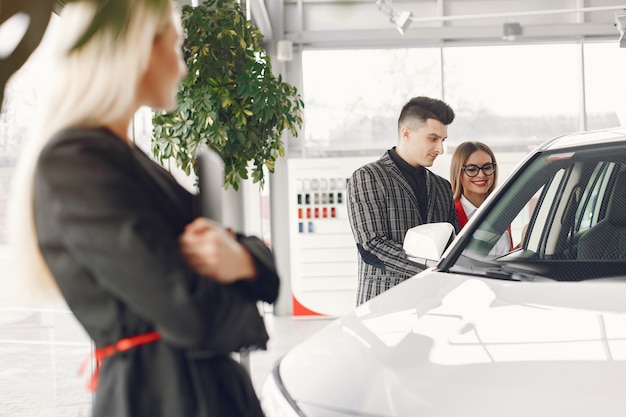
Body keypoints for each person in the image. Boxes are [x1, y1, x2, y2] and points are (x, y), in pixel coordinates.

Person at [7, 2, 279, 416]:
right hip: (162, 397)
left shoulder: (125, 158)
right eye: (175, 47)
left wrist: (242, 259)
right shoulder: (78, 160)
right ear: (137, 51)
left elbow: (235, 256)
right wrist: (243, 273)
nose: (182, 67)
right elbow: (186, 307)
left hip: (192, 389)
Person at [347, 96, 459, 306]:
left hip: (433, 306)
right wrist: (433, 269)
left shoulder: (442, 187)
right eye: (433, 138)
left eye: (442, 140)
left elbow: (453, 242)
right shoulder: (367, 177)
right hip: (383, 305)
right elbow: (371, 246)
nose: (440, 149)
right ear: (406, 133)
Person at [450, 141, 513, 256]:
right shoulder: (450, 214)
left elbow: (504, 256)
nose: (481, 175)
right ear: (458, 173)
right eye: (472, 169)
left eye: (487, 167)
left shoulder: (500, 210)